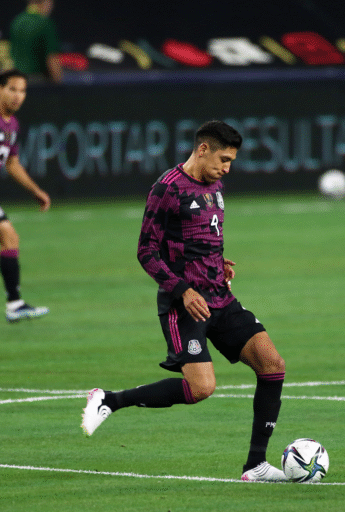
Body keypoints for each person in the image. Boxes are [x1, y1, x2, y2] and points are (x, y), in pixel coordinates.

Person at [81, 121, 289, 482]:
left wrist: (218, 262)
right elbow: (146, 251)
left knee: (272, 365)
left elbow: (203, 235)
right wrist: (183, 291)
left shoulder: (216, 186)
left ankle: (256, 465)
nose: (227, 168)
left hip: (220, 297)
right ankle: (109, 400)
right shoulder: (167, 188)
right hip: (184, 305)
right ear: (203, 149)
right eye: (224, 159)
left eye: (231, 161)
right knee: (201, 388)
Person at [0, 69, 50, 322]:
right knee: (8, 236)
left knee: (9, 238)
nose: (18, 96)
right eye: (12, 89)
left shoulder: (12, 125)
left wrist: (35, 190)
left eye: (22, 91)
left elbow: (12, 163)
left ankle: (15, 304)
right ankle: (15, 303)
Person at [9, 0, 63, 83]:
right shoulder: (45, 23)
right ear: (45, 2)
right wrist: (59, 84)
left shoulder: (17, 21)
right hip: (39, 82)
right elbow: (51, 59)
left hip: (18, 81)